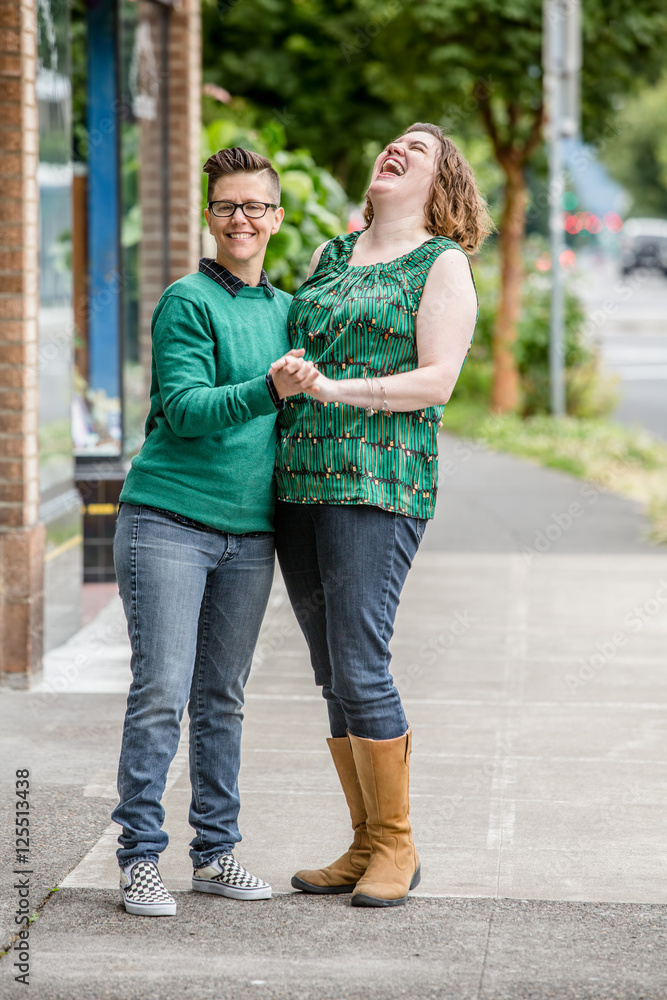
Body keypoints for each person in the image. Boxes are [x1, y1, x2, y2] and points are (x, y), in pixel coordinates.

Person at [272, 123, 490, 908]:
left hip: (377, 483)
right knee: (331, 669)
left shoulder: (442, 264)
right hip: (299, 480)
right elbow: (303, 348)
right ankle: (363, 841)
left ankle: (397, 842)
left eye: (418, 150)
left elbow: (435, 383)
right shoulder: (330, 255)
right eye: (391, 143)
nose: (396, 150)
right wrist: (297, 374)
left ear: (441, 186)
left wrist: (335, 390)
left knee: (361, 661)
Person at [111, 147, 318, 916]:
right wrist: (268, 387)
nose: (242, 220)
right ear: (209, 215)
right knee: (162, 690)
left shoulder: (287, 310)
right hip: (167, 520)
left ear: (276, 217)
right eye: (227, 206)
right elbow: (188, 410)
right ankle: (137, 857)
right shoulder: (186, 301)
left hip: (248, 535)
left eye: (255, 207)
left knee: (223, 697)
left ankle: (216, 852)